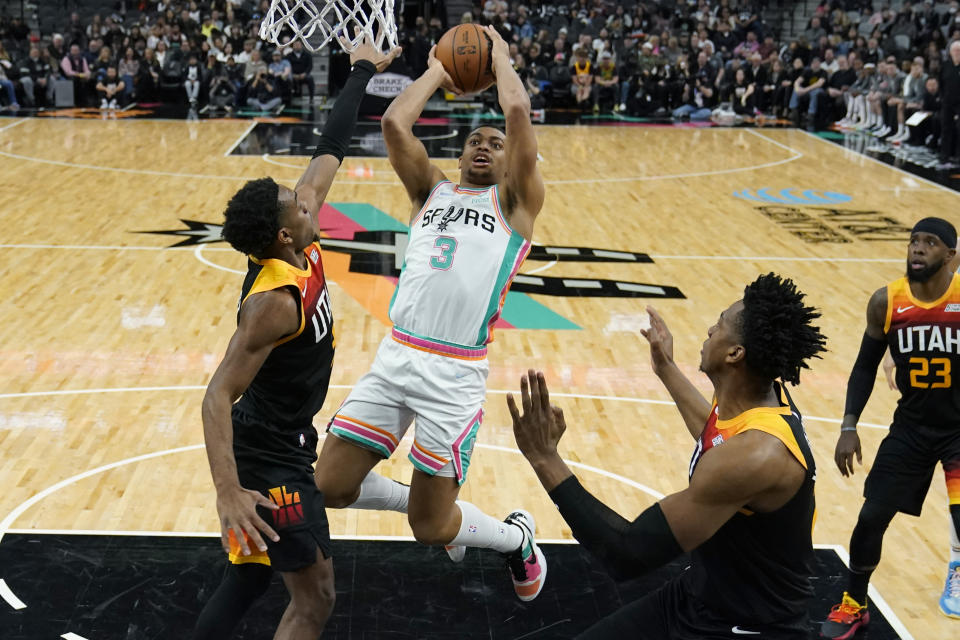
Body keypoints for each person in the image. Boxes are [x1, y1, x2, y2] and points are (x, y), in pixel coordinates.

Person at [313, 25, 548, 603]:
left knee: (431, 529)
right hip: (397, 356)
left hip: (454, 374)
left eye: (495, 143)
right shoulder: (431, 193)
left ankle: (515, 540)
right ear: (461, 153)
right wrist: (442, 69)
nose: (485, 147)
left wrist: (500, 60)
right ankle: (414, 493)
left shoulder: (515, 204)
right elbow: (395, 124)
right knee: (330, 485)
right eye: (475, 141)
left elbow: (517, 114)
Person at [194, 36, 401, 640]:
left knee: (250, 577)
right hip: (271, 457)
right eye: (299, 207)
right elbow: (214, 397)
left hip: (284, 436)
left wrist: (361, 70)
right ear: (285, 238)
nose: (309, 201)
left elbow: (331, 145)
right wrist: (229, 492)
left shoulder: (295, 235)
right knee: (316, 599)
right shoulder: (274, 305)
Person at [509, 273, 827, 638]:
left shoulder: (756, 456)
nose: (709, 329)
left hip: (747, 628)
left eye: (720, 324)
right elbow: (715, 432)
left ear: (735, 353)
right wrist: (665, 368)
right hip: (697, 598)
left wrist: (544, 458)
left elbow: (626, 553)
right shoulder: (764, 404)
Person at [822, 217, 960, 637]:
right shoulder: (887, 301)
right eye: (914, 240)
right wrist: (849, 425)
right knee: (871, 517)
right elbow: (864, 367)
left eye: (930, 243)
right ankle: (853, 603)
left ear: (951, 256)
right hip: (912, 428)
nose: (917, 248)